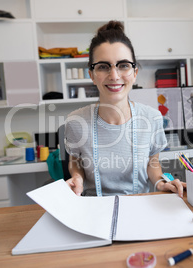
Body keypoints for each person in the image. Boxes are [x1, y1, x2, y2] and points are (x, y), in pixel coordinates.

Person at [64, 21, 185, 197]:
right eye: (103, 67)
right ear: (91, 75)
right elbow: (75, 161)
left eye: (123, 65)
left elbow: (153, 162)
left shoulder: (152, 118)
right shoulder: (76, 122)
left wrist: (160, 182)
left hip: (140, 208)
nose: (114, 76)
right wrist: (77, 177)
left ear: (135, 73)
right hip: (92, 209)